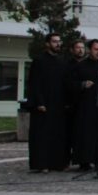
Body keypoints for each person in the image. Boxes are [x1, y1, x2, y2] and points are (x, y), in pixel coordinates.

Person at [66, 39, 98, 170]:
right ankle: (84, 161)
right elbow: (69, 85)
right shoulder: (80, 66)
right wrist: (82, 85)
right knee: (85, 136)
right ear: (89, 50)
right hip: (84, 108)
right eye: (96, 49)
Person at [26, 33, 69, 172]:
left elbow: (65, 84)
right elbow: (34, 84)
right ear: (47, 44)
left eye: (59, 41)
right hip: (43, 104)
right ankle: (41, 164)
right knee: (42, 136)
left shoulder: (62, 61)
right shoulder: (39, 61)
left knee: (57, 135)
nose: (57, 44)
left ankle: (57, 163)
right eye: (54, 41)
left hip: (58, 104)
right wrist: (39, 102)